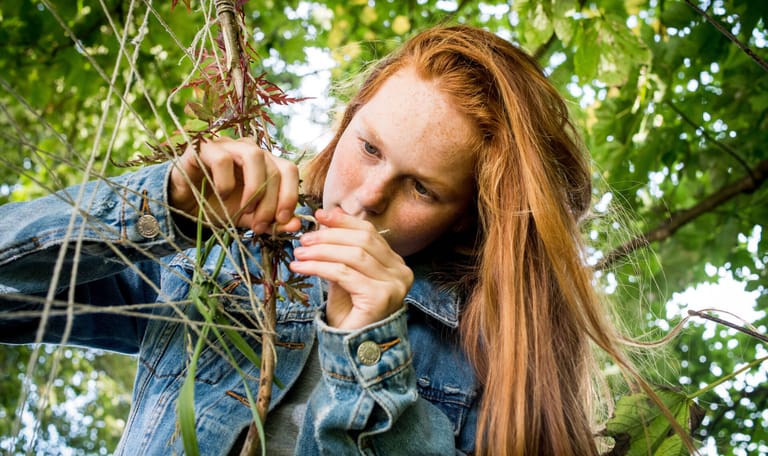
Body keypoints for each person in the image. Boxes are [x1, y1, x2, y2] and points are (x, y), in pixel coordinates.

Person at [0, 25, 664, 455]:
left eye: (421, 189)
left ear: (462, 217)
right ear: (346, 121)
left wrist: (372, 358)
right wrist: (166, 204)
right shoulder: (225, 250)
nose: (369, 195)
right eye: (368, 147)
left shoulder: (493, 355)